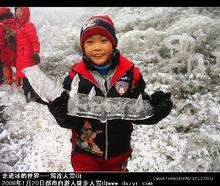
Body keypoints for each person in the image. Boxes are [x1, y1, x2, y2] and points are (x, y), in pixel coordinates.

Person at [47, 15, 173, 172]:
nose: (97, 47)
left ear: (113, 43)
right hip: (85, 155)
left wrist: (157, 111)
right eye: (89, 42)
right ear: (83, 47)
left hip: (118, 155)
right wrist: (61, 116)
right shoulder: (74, 78)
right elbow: (73, 121)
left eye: (103, 40)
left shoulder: (132, 75)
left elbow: (137, 114)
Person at [15, 7, 41, 102]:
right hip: (21, 55)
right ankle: (31, 95)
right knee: (25, 76)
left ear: (25, 12)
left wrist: (36, 52)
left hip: (27, 56)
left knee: (27, 76)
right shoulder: (20, 26)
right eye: (17, 11)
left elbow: (35, 41)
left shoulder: (28, 25)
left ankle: (28, 95)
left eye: (21, 11)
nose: (18, 13)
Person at [0, 7, 18, 87]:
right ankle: (18, 83)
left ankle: (9, 82)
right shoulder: (16, 24)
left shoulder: (1, 26)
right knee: (18, 68)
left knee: (7, 66)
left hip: (6, 53)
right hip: (17, 51)